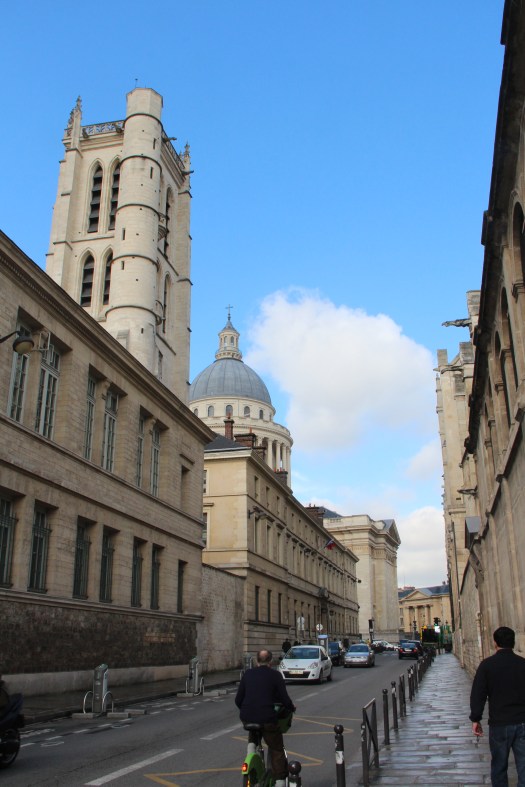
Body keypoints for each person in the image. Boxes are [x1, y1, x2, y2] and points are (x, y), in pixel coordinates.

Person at [470, 626, 525, 787]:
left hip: (499, 723)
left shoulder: (487, 665)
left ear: (495, 643)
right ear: (513, 642)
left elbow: (478, 694)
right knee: (523, 766)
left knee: (499, 767)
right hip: (522, 721)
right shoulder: (522, 664)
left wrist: (476, 718)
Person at [235, 648, 295, 787]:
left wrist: (248, 709)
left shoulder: (248, 674)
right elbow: (285, 699)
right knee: (276, 748)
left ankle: (251, 750)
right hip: (267, 718)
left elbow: (238, 700)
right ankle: (280, 781)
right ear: (271, 661)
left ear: (256, 661)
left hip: (247, 717)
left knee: (254, 728)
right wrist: (292, 707)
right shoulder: (275, 675)